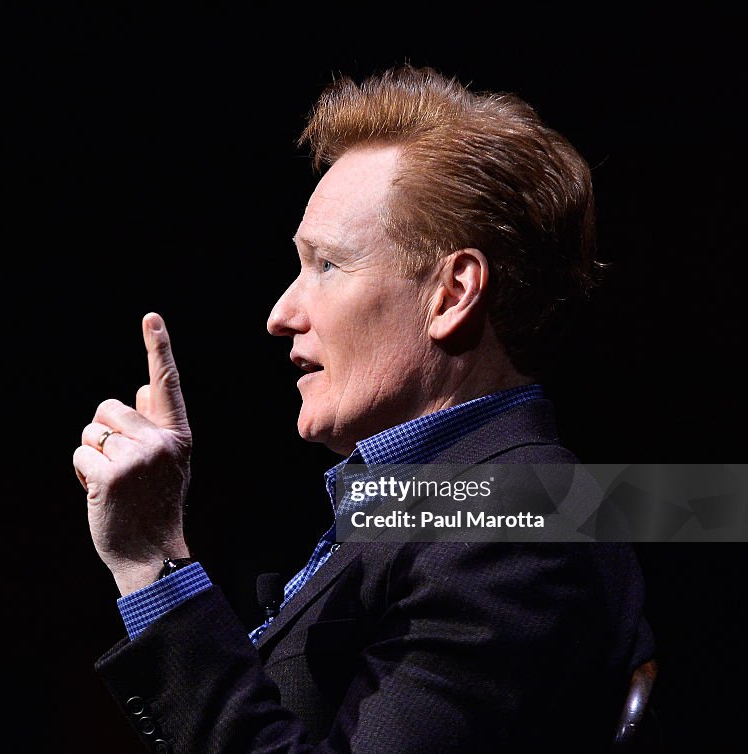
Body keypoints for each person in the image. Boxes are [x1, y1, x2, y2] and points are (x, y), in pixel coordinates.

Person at [73, 64, 654, 753]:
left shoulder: (521, 526)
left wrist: (152, 560)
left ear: (451, 293)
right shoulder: (444, 506)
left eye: (326, 265)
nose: (281, 314)